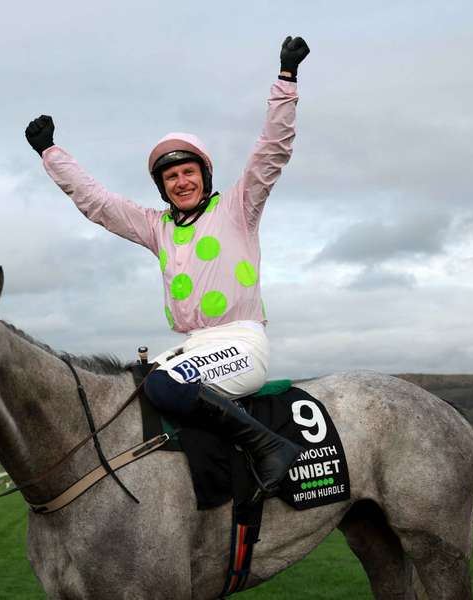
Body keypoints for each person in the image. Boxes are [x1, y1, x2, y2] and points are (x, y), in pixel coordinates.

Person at [25, 36, 310, 499]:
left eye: (188, 172)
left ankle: (270, 447)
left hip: (241, 341)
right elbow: (99, 203)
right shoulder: (158, 228)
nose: (181, 181)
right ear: (162, 187)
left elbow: (271, 151)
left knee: (161, 384)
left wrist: (286, 79)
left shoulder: (238, 209)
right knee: (131, 391)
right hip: (193, 346)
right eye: (171, 177)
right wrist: (51, 154)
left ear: (205, 175)